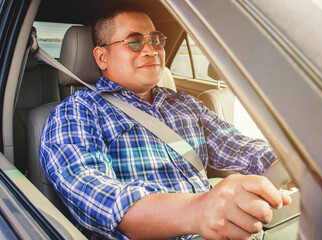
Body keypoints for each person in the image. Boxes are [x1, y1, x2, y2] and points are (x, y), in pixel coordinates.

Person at [40, 3, 291, 240]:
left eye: (156, 39)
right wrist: (199, 209)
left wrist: (288, 164)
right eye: (135, 42)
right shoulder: (76, 113)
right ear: (102, 57)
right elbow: (101, 199)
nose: (151, 49)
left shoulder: (185, 104)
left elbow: (238, 146)